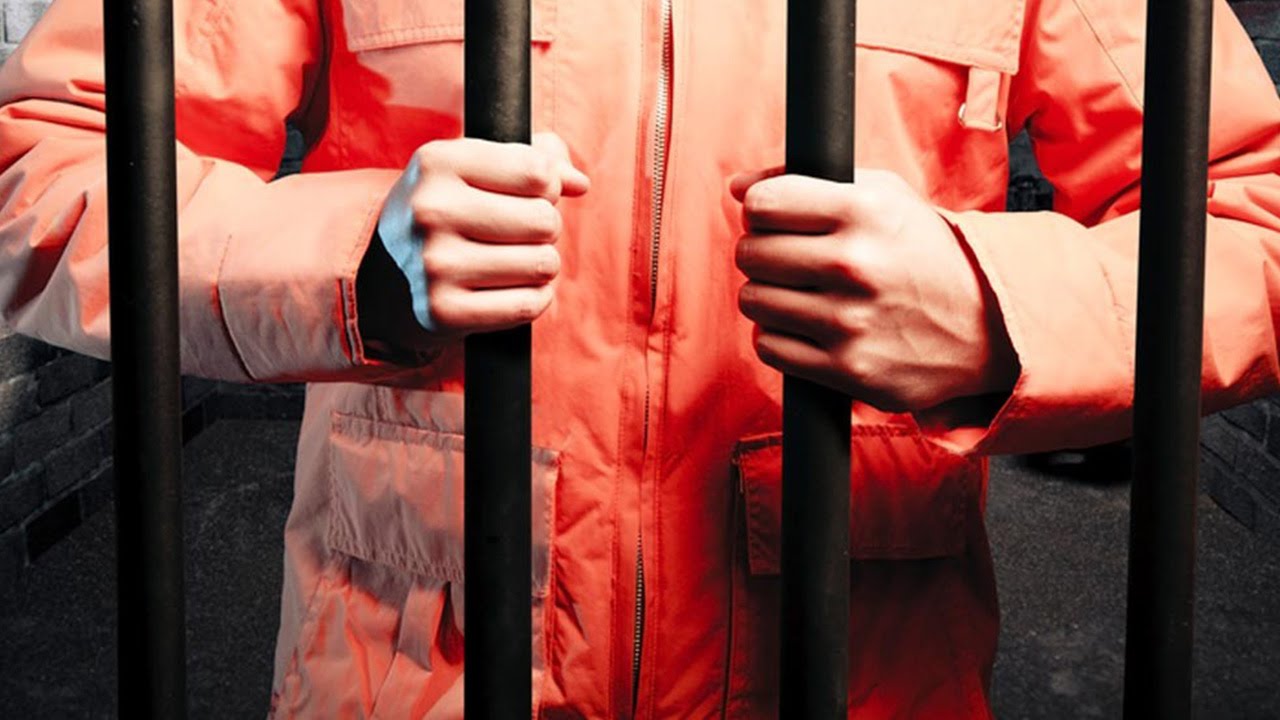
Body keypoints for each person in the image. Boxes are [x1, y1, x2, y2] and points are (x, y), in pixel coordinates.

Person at [1, 0, 1278, 716]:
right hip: (412, 671)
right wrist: (359, 262)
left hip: (853, 674)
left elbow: (1251, 220)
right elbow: (44, 174)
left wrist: (990, 307)